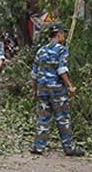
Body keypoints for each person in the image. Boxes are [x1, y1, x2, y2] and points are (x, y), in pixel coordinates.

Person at [30, 23, 84, 156]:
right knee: (63, 118)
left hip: (42, 89)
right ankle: (69, 148)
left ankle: (38, 147)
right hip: (57, 90)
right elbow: (62, 70)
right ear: (59, 34)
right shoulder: (61, 50)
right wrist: (70, 85)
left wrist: (35, 90)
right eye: (63, 34)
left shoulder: (41, 51)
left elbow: (34, 74)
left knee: (43, 118)